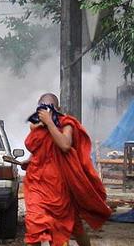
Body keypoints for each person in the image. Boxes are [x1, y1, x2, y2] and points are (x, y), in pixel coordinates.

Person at [22, 93, 111, 246]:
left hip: (61, 187)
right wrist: (29, 160)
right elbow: (41, 148)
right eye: (42, 108)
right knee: (34, 224)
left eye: (50, 108)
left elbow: (64, 145)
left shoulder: (66, 123)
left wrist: (50, 123)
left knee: (71, 226)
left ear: (58, 109)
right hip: (37, 183)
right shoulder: (37, 126)